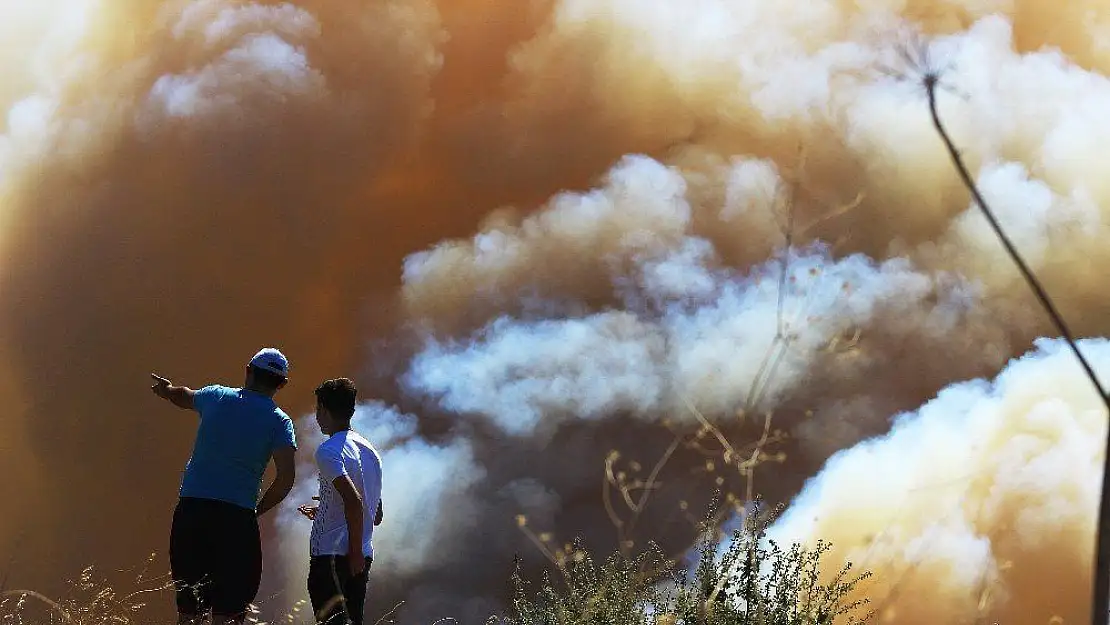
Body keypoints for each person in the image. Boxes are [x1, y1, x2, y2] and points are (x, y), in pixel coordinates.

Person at [151, 348, 298, 625]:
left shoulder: (216, 396)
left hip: (192, 512)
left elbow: (185, 396)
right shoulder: (279, 421)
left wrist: (167, 390)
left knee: (190, 610)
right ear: (282, 384)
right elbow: (285, 479)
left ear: (248, 370)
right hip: (235, 518)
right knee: (229, 612)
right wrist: (257, 510)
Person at [297, 378, 383, 625]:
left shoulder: (328, 450)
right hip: (362, 556)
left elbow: (354, 502)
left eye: (317, 409)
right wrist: (326, 508)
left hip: (333, 556)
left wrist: (353, 551)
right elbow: (374, 513)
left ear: (323, 409)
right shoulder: (370, 450)